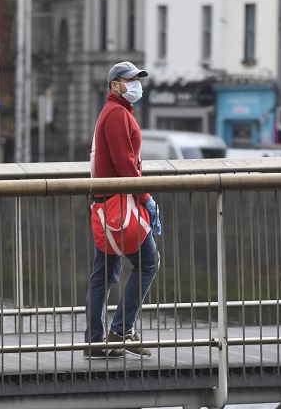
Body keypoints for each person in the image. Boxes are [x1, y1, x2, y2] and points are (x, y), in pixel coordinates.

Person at [84, 60, 160, 359]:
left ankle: (96, 340)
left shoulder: (116, 111)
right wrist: (146, 199)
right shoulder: (117, 114)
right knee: (148, 262)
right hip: (119, 204)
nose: (136, 85)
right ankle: (121, 330)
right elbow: (126, 164)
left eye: (138, 79)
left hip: (107, 203)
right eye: (130, 80)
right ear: (116, 84)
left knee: (104, 273)